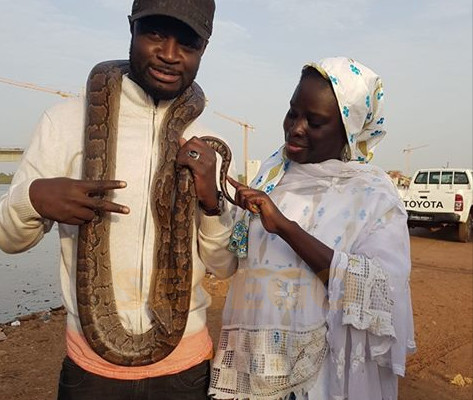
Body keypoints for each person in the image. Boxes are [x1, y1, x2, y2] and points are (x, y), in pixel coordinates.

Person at [0, 0, 236, 399]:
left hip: (184, 369)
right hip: (92, 372)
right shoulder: (64, 122)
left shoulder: (206, 143)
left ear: (204, 48)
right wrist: (33, 199)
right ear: (132, 29)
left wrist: (212, 203)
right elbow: (9, 240)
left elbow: (224, 265)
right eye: (155, 33)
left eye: (188, 43)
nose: (169, 54)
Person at [208, 57, 416, 400]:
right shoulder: (272, 178)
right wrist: (210, 203)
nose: (296, 127)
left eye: (315, 121)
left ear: (347, 131)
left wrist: (287, 229)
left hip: (319, 382)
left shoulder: (372, 195)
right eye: (293, 112)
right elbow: (230, 262)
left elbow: (380, 293)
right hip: (255, 374)